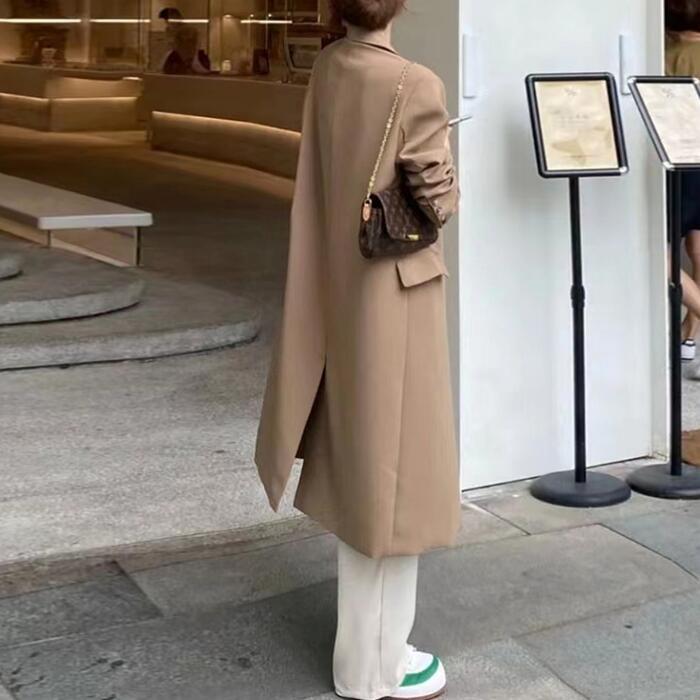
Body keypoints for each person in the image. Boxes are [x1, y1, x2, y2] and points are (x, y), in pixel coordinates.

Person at [254, 1, 460, 698]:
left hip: (341, 291)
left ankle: (364, 654)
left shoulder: (329, 68)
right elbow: (435, 197)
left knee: (368, 470)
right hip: (395, 296)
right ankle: (377, 666)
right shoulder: (415, 81)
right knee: (398, 482)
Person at [666, 0, 700, 360]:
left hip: (676, 159)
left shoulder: (658, 51)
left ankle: (691, 327)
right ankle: (689, 334)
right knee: (698, 249)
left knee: (656, 249)